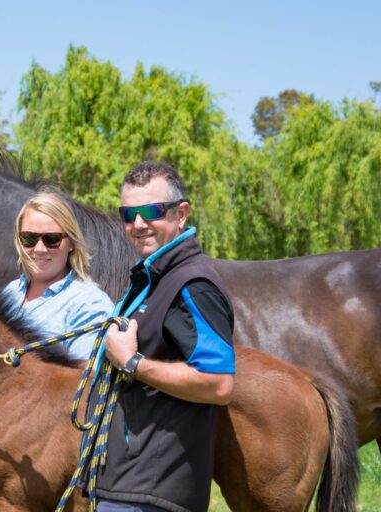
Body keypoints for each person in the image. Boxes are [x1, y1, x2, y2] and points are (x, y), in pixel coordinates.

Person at [96, 161, 236, 512]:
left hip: (155, 494)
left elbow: (219, 384)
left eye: (152, 211)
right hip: (124, 482)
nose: (139, 224)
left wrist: (132, 362)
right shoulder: (152, 279)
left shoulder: (192, 284)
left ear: (181, 214)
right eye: (128, 214)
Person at [2, 190, 114, 362]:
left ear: (71, 243)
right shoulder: (9, 293)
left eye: (52, 239)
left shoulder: (90, 304)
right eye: (29, 238)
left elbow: (84, 381)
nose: (39, 249)